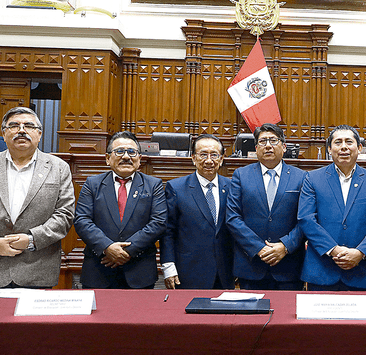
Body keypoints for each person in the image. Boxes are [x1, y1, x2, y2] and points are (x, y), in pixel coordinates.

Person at [0, 106, 74, 288]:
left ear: (39, 134)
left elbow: (65, 214)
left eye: (28, 126)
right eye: (14, 125)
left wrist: (32, 239)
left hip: (37, 270)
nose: (21, 130)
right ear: (3, 134)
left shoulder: (58, 168)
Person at [298, 124, 366, 290]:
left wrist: (360, 253)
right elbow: (306, 219)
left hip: (362, 271)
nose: (343, 147)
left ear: (360, 148)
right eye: (338, 142)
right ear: (329, 149)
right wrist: (333, 250)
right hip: (322, 271)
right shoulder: (312, 179)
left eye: (349, 142)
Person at [73, 131, 166, 289]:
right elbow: (82, 220)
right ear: (108, 158)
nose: (126, 157)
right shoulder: (92, 184)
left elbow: (158, 222)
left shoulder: (154, 185)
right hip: (99, 270)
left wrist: (126, 251)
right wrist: (107, 248)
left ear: (139, 158)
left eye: (132, 152)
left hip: (139, 270)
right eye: (120, 151)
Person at [226, 123, 306, 290]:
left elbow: (306, 219)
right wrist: (259, 248)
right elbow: (233, 218)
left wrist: (285, 247)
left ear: (284, 147)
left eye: (273, 141)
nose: (268, 145)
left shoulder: (301, 177)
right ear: (256, 148)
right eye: (263, 141)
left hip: (288, 266)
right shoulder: (241, 175)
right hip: (252, 264)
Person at [160, 134, 234, 289]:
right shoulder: (177, 188)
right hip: (189, 271)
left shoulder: (232, 187)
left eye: (214, 155)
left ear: (221, 159)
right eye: (203, 155)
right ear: (193, 158)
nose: (208, 160)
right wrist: (168, 266)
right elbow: (168, 231)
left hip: (225, 272)